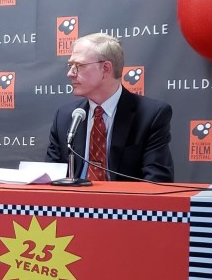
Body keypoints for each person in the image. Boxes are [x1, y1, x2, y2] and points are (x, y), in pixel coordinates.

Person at [46, 33, 174, 182]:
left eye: (79, 66)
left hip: (124, 203)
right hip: (72, 203)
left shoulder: (150, 115)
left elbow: (157, 180)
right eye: (70, 66)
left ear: (106, 68)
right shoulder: (65, 116)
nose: (70, 73)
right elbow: (50, 177)